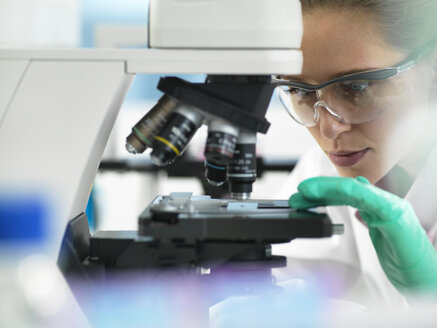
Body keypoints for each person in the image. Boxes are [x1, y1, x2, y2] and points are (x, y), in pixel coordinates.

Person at [273, 0, 437, 305]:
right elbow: (276, 289)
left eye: (357, 88)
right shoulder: (324, 167)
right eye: (300, 91)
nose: (329, 129)